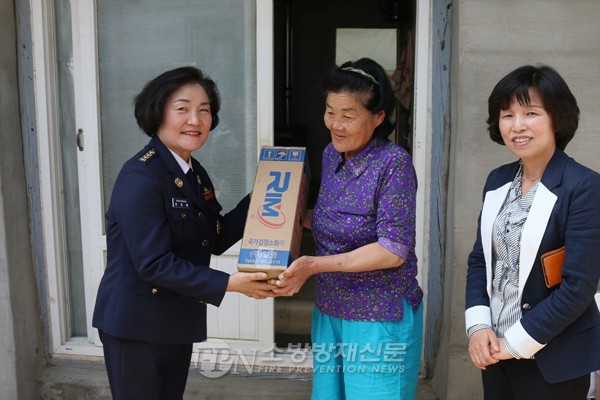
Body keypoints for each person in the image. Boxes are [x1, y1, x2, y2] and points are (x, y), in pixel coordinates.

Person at [92, 66, 277, 399]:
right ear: (157, 113)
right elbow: (154, 264)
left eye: (204, 110)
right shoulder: (141, 177)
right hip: (136, 327)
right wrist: (231, 283)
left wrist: (267, 196)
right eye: (182, 109)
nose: (196, 120)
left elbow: (215, 236)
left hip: (175, 322)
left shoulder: (193, 172)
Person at [273, 58, 424, 400]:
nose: (336, 125)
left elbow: (392, 250)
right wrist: (274, 216)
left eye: (348, 115)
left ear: (378, 117)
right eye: (330, 112)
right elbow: (332, 220)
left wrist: (313, 265)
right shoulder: (331, 155)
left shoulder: (394, 164)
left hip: (377, 316)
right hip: (330, 310)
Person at [465, 65, 600, 399]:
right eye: (507, 115)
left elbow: (578, 288)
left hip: (554, 359)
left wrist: (514, 343)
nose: (517, 125)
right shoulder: (497, 180)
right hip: (494, 351)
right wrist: (479, 327)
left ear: (557, 118)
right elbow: (481, 260)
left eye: (531, 113)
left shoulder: (584, 186)